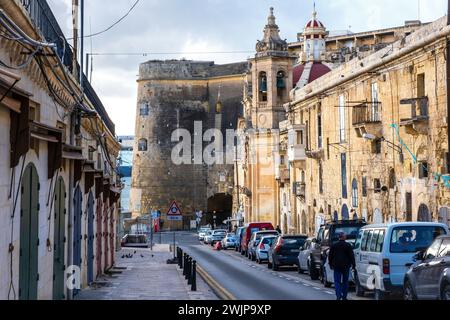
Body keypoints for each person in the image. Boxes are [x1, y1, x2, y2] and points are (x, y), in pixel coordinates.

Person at [328, 232, 356, 300]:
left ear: (339, 237)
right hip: (346, 266)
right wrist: (353, 265)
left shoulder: (334, 246)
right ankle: (344, 296)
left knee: (337, 281)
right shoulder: (348, 245)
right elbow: (351, 256)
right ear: (344, 237)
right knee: (345, 281)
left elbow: (330, 256)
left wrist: (330, 264)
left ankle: (338, 295)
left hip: (336, 266)